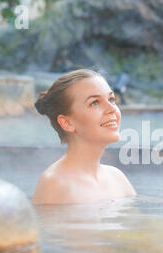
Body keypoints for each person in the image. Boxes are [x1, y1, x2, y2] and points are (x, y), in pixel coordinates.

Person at [32, 69, 136, 204]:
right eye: (95, 103)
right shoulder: (55, 183)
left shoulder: (117, 178)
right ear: (67, 123)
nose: (111, 108)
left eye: (111, 99)